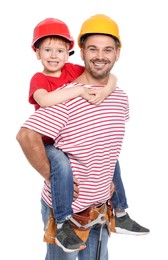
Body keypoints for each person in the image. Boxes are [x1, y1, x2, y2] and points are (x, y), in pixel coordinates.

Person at [16, 14, 149, 260]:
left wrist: (103, 182)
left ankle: (121, 213)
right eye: (93, 49)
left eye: (108, 49)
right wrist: (55, 180)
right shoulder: (64, 96)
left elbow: (104, 145)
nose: (100, 56)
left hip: (100, 208)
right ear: (82, 51)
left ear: (117, 53)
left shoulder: (119, 97)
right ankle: (64, 221)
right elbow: (26, 136)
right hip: (67, 208)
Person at [29, 17, 118, 252]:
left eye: (60, 50)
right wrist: (77, 90)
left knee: (111, 156)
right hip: (50, 142)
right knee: (60, 164)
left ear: (69, 53)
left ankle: (121, 209)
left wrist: (107, 90)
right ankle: (62, 222)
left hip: (70, 143)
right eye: (47, 50)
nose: (54, 56)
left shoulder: (72, 70)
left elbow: (106, 76)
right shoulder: (40, 79)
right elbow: (44, 100)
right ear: (37, 53)